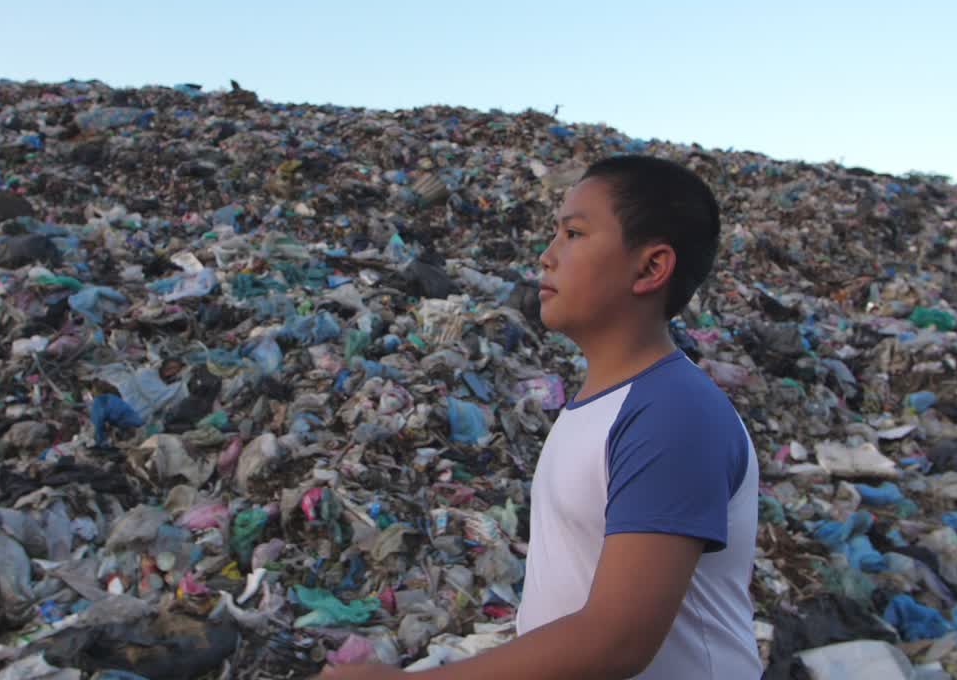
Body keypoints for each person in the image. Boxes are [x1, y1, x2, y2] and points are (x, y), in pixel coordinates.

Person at [318, 155, 761, 680]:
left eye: (573, 234)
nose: (547, 256)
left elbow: (616, 640)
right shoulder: (604, 401)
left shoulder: (672, 413)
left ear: (650, 267)